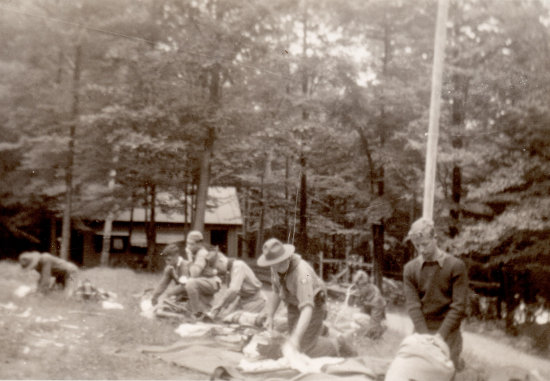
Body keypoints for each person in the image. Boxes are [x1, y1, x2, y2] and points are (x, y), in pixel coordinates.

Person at [257, 238, 343, 358]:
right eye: (274, 264)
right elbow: (277, 291)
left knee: (304, 347)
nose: (278, 267)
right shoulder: (274, 267)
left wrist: (296, 339)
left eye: (281, 263)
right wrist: (270, 316)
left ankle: (338, 344)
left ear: (287, 257)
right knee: (295, 340)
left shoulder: (303, 273)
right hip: (293, 303)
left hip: (313, 304)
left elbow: (307, 308)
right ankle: (320, 329)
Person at [403, 218, 469, 370]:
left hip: (448, 332)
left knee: (442, 372)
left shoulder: (455, 266)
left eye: (425, 244)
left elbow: (459, 307)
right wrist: (425, 337)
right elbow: (413, 306)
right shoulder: (410, 269)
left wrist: (440, 337)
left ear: (435, 239)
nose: (421, 249)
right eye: (417, 245)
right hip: (422, 331)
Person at [182, 230, 224, 318]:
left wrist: (189, 257)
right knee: (187, 308)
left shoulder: (202, 253)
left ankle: (196, 313)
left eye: (191, 244)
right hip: (204, 282)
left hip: (212, 282)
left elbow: (194, 274)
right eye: (187, 243)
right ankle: (202, 310)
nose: (188, 246)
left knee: (190, 283)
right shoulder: (196, 253)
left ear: (199, 244)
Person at [351, 270, 386, 339]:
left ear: (366, 285)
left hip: (378, 322)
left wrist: (365, 337)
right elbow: (362, 311)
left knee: (356, 317)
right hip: (374, 318)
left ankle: (377, 334)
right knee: (354, 322)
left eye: (359, 288)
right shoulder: (368, 291)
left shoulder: (376, 299)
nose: (358, 290)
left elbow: (374, 322)